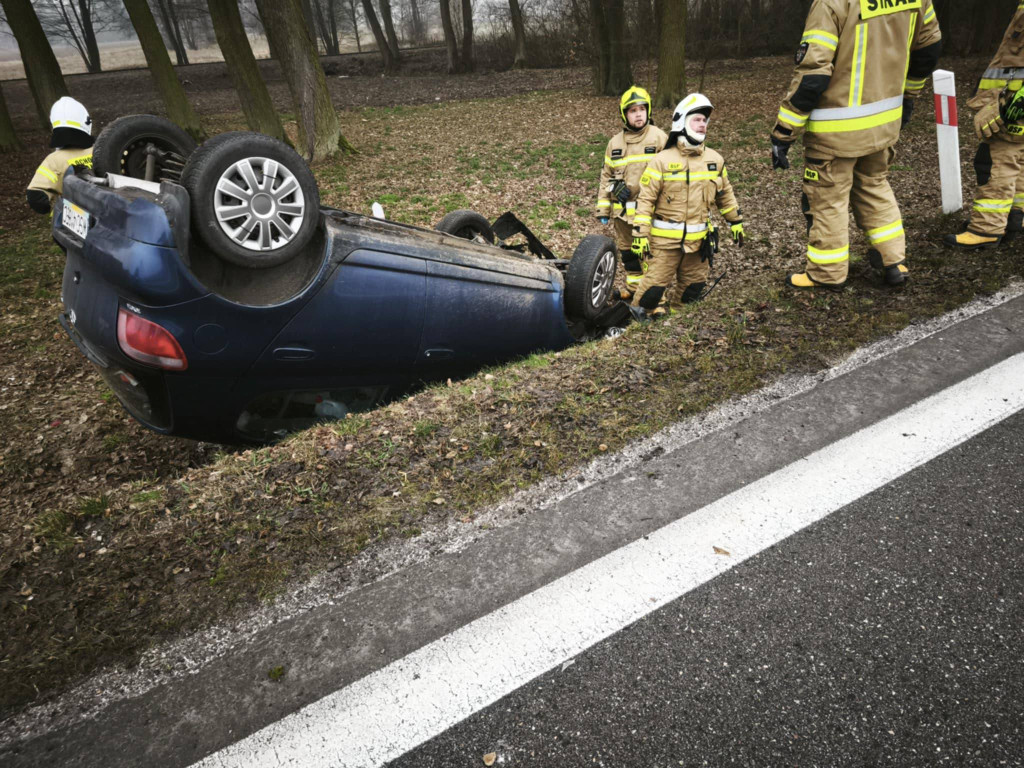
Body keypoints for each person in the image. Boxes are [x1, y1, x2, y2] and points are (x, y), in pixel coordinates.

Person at [770, 0, 941, 289]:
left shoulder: (831, 4)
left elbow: (813, 73)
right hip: (883, 123)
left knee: (827, 199)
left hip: (836, 131)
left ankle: (827, 273)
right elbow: (929, 49)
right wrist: (909, 96)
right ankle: (893, 261)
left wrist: (785, 131)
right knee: (874, 185)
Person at [629, 93, 745, 316]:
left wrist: (736, 221)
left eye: (704, 120)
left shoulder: (715, 160)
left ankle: (678, 328)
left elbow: (725, 194)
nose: (702, 125)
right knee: (650, 294)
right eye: (697, 120)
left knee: (692, 292)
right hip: (664, 244)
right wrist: (640, 234)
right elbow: (645, 200)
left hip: (698, 244)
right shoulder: (661, 161)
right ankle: (638, 328)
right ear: (681, 122)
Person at [945, 4, 1024, 249]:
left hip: (1014, 102)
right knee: (1017, 159)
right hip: (1010, 97)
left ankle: (986, 229)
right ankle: (1016, 216)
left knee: (994, 160)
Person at [595, 86, 668, 301]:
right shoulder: (614, 144)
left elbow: (671, 174)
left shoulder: (659, 138)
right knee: (628, 254)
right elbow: (606, 176)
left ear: (649, 111)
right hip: (622, 215)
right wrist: (604, 205)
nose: (638, 114)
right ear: (624, 114)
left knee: (648, 254)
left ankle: (654, 298)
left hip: (649, 213)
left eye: (642, 109)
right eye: (633, 110)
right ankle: (634, 288)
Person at [26, 97, 94, 215]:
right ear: (86, 121)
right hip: (106, 216)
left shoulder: (54, 160)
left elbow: (36, 195)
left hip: (70, 220)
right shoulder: (101, 150)